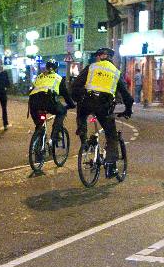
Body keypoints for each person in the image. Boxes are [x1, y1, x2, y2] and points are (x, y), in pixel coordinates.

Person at [72, 47, 134, 175]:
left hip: (87, 101)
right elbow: (127, 96)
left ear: (100, 57)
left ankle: (83, 135)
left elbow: (75, 86)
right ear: (111, 58)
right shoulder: (116, 72)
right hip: (103, 106)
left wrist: (78, 99)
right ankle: (111, 166)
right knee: (111, 135)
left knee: (81, 113)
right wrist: (128, 109)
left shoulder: (91, 67)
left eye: (97, 56)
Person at [28, 59, 75, 134]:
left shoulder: (39, 77)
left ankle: (38, 137)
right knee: (61, 112)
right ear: (56, 68)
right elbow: (65, 94)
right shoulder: (58, 78)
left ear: (46, 67)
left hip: (33, 102)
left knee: (39, 124)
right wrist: (71, 104)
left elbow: (32, 89)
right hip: (48, 101)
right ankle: (54, 135)